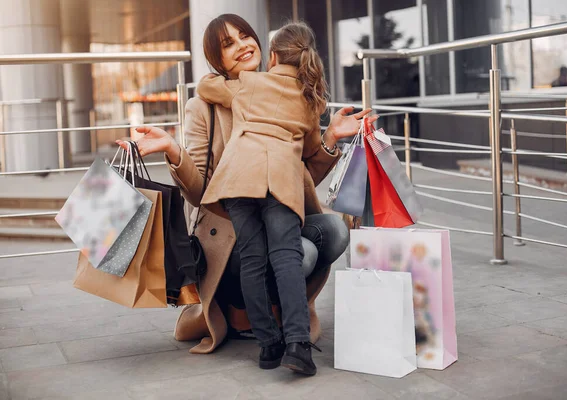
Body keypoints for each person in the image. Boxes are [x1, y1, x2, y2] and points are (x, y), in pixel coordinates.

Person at [117, 13, 376, 370]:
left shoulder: (258, 88)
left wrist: (330, 137)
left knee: (331, 230)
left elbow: (303, 172)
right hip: (226, 235)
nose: (241, 46)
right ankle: (274, 329)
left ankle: (270, 338)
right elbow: (198, 191)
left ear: (268, 52)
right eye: (228, 44)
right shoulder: (206, 106)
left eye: (244, 36)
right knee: (295, 253)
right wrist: (174, 152)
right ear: (217, 59)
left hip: (252, 195)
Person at [195, 21, 329, 375]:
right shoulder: (311, 98)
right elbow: (312, 148)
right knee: (285, 257)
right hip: (278, 183)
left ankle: (268, 346)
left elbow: (207, 86)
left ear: (271, 56)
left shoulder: (249, 84)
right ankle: (297, 344)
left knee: (253, 259)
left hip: (237, 180)